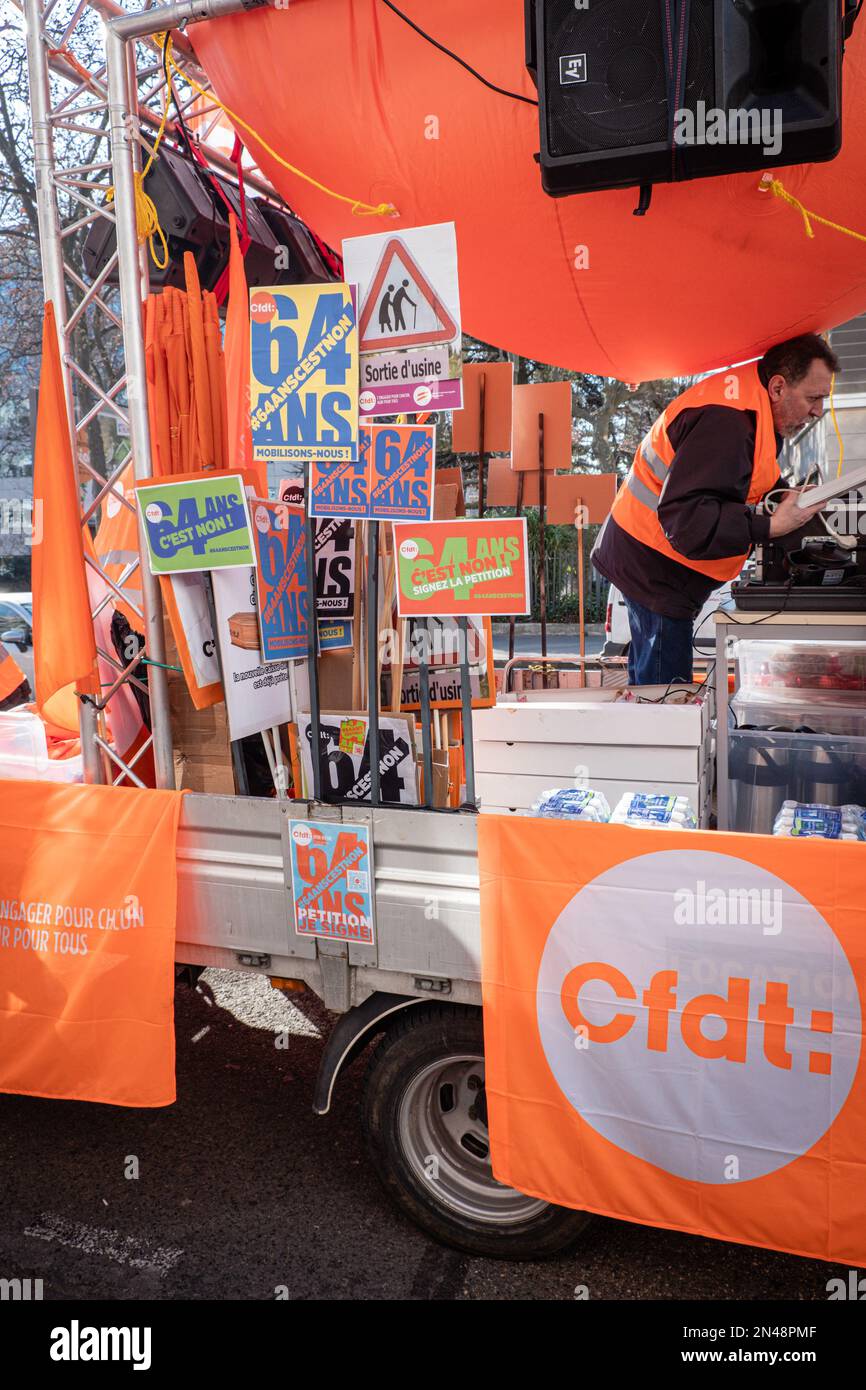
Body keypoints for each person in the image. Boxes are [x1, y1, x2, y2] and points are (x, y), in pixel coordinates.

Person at [591, 334, 836, 686]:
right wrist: (768, 527)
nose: (818, 411)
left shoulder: (752, 411)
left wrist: (785, 496)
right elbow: (688, 521)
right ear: (779, 387)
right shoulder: (728, 422)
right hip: (654, 569)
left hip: (651, 562)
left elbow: (742, 482)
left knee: (653, 693)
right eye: (813, 398)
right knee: (665, 700)